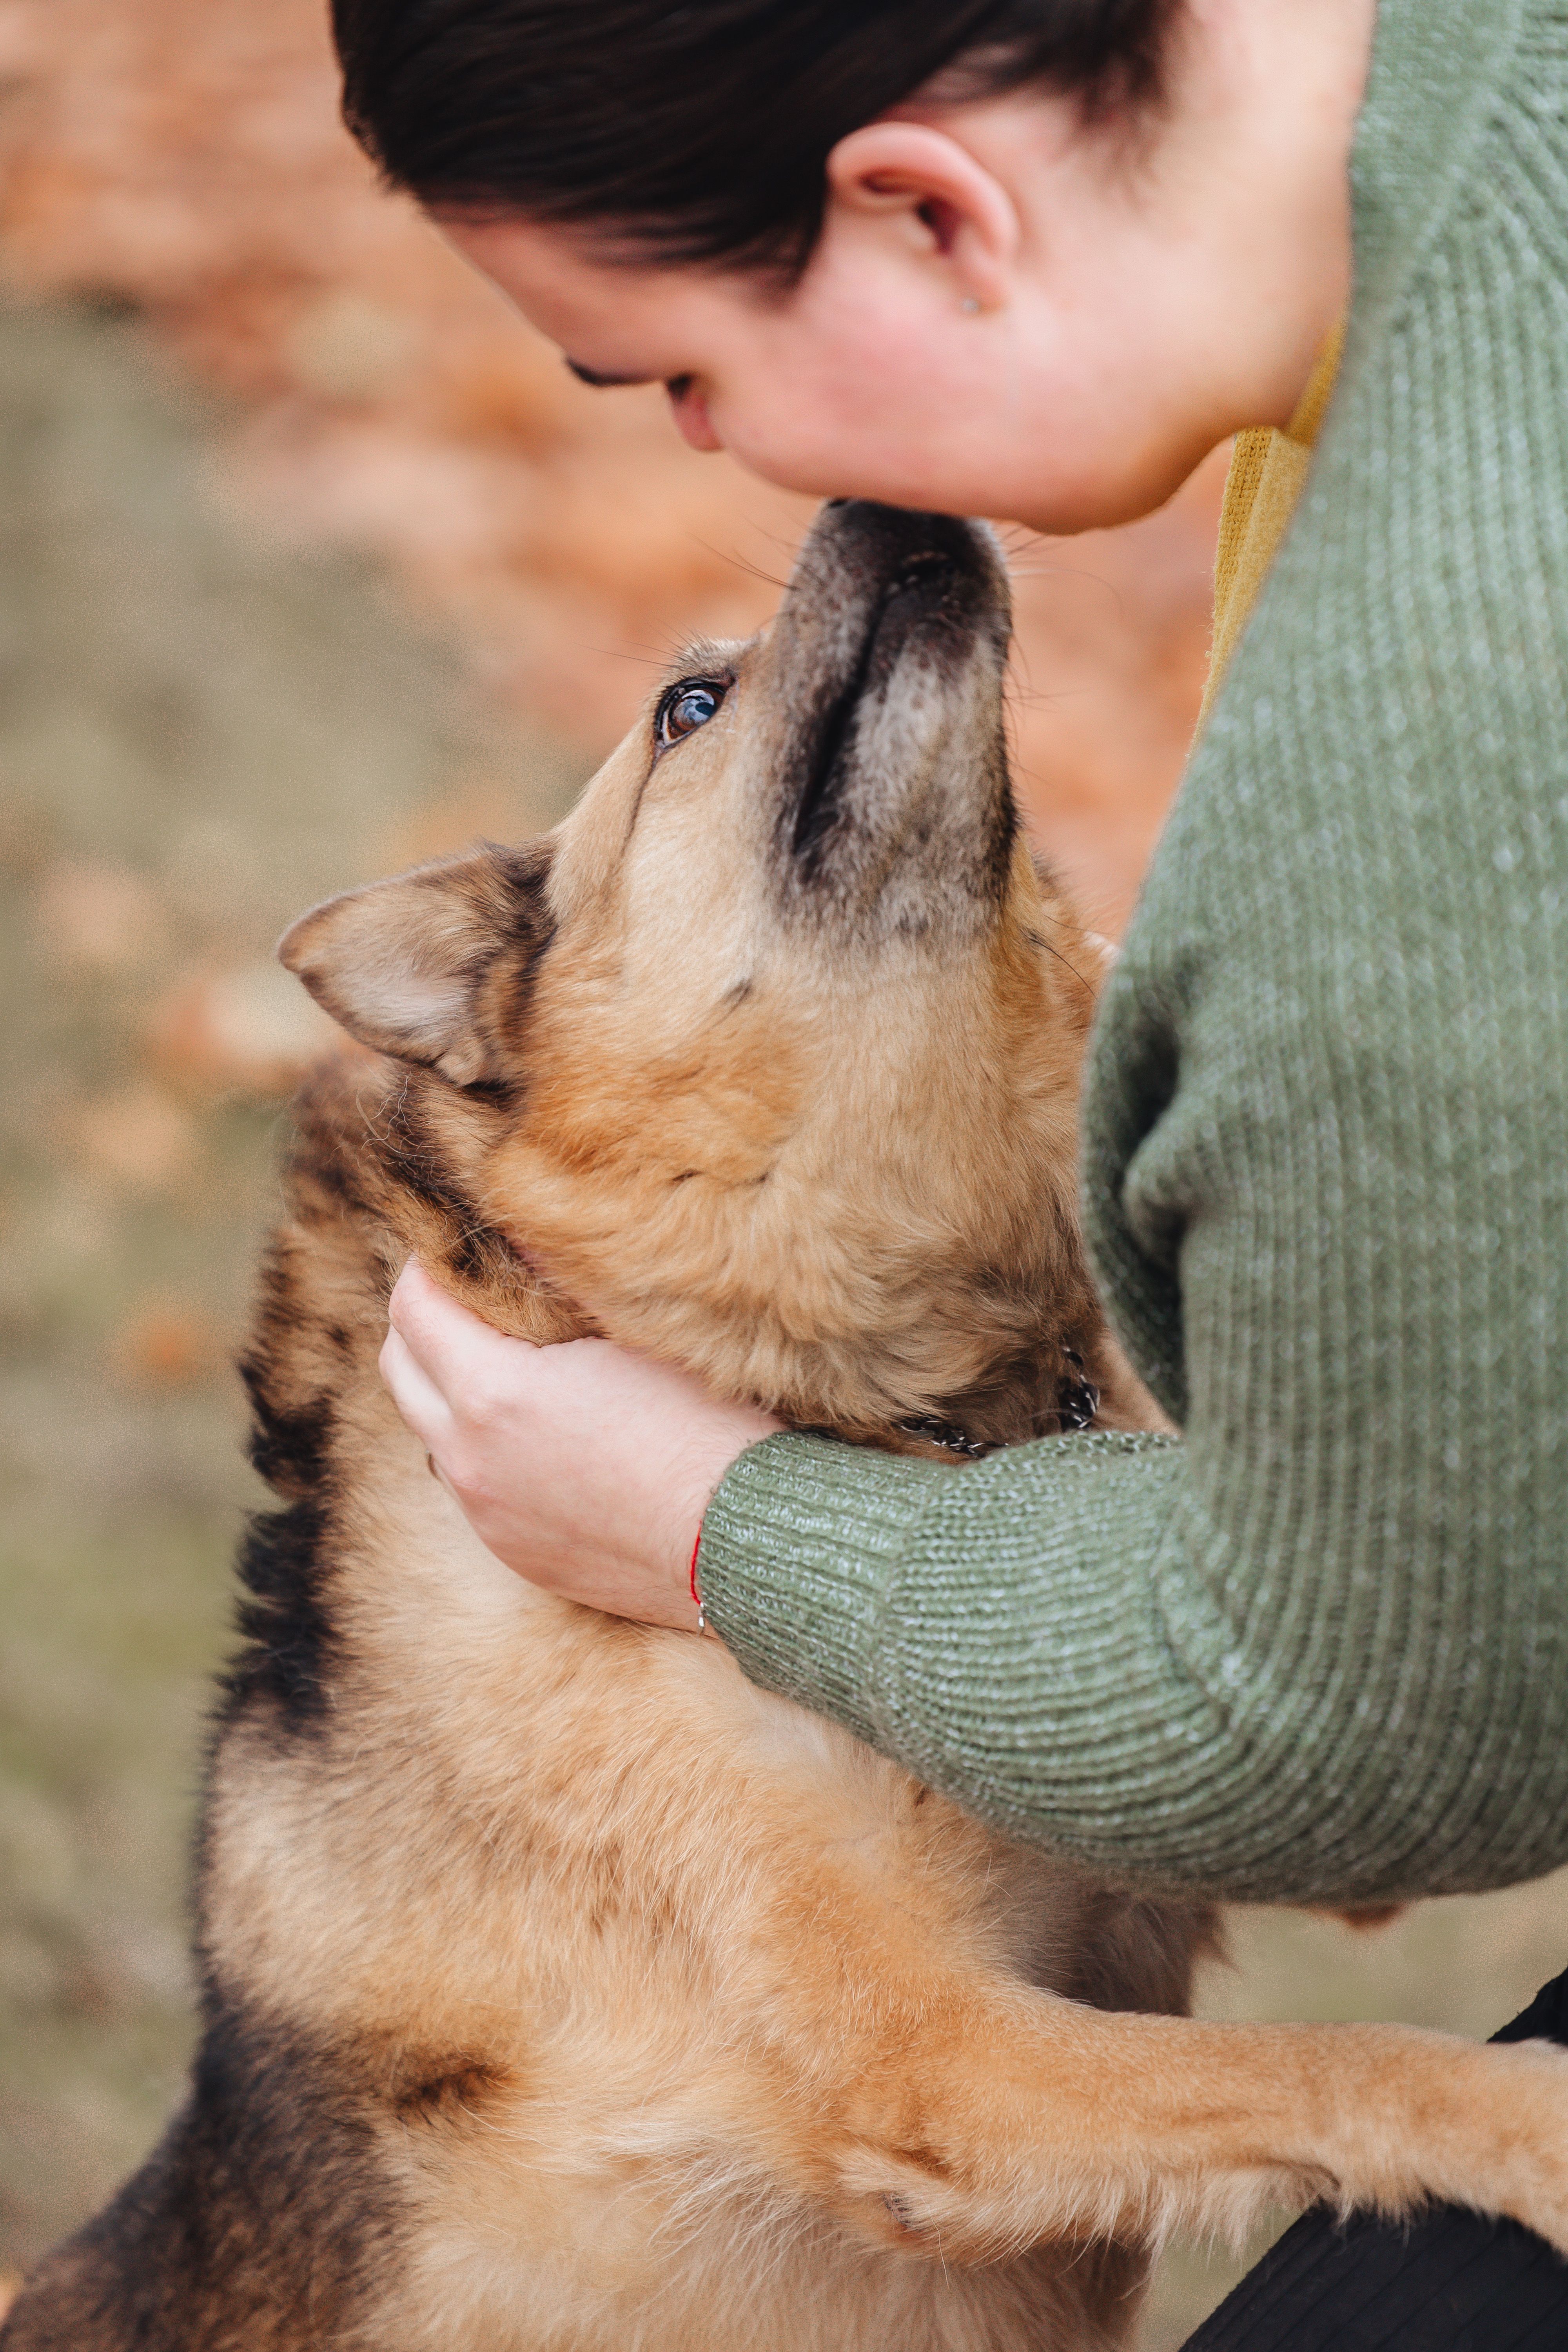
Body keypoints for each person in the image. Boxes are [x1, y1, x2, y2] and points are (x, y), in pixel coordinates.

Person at [333, 3, 1568, 2341]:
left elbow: (1386, 1728)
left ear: (926, 210)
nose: (726, 455)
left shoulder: (1418, 747)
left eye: (679, 373)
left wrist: (718, 1527)